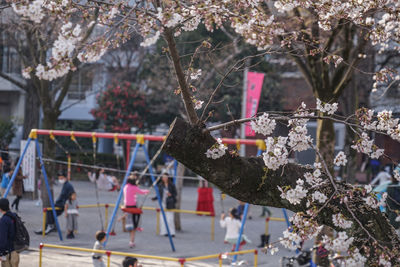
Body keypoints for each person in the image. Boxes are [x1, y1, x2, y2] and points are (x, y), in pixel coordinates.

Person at [123, 172, 149, 248]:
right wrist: (147, 191)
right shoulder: (134, 188)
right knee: (134, 223)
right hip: (132, 207)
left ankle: (131, 229)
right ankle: (132, 241)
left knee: (130, 220)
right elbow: (141, 192)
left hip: (126, 206)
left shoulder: (126, 187)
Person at [154, 172, 177, 237]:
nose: (164, 178)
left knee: (170, 218)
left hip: (170, 203)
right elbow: (159, 194)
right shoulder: (160, 185)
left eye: (165, 177)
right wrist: (155, 198)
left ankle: (172, 232)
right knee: (162, 218)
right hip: (162, 203)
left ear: (168, 178)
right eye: (163, 177)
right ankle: (164, 232)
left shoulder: (172, 185)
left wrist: (171, 195)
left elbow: (175, 194)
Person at [0, 198, 19, 267]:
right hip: (15, 251)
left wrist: (1, 253)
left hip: (7, 253)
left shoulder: (4, 221)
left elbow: (2, 239)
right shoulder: (14, 216)